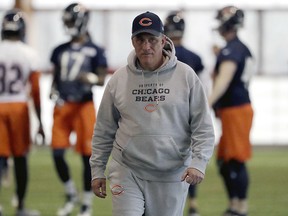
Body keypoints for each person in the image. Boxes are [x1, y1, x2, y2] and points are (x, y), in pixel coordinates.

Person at [90, 11, 215, 216]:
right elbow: (104, 129)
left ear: (163, 40)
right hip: (127, 170)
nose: (146, 46)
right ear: (132, 41)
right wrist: (97, 171)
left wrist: (199, 163)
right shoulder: (118, 80)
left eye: (152, 40)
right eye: (140, 39)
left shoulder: (186, 77)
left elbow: (203, 126)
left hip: (171, 173)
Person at [49, 3, 108, 216]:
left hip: (84, 105)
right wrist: (53, 90)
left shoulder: (95, 49)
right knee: (56, 153)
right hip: (64, 105)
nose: (68, 25)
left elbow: (101, 79)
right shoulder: (59, 50)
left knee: (87, 157)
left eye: (70, 20)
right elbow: (56, 75)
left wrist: (91, 78)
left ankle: (86, 203)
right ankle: (71, 193)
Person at [208, 6, 255, 216]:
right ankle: (234, 205)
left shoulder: (233, 49)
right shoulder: (236, 48)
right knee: (225, 161)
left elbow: (223, 81)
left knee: (235, 159)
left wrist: (206, 103)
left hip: (235, 109)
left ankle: (240, 207)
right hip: (233, 109)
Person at [0, 9, 44, 216]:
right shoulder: (29, 54)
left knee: (0, 158)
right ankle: (20, 207)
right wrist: (41, 122)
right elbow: (35, 91)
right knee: (20, 159)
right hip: (18, 107)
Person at [164, 11, 205, 216]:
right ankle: (193, 204)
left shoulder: (162, 54)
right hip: (189, 114)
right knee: (190, 160)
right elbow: (202, 89)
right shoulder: (195, 58)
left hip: (168, 115)